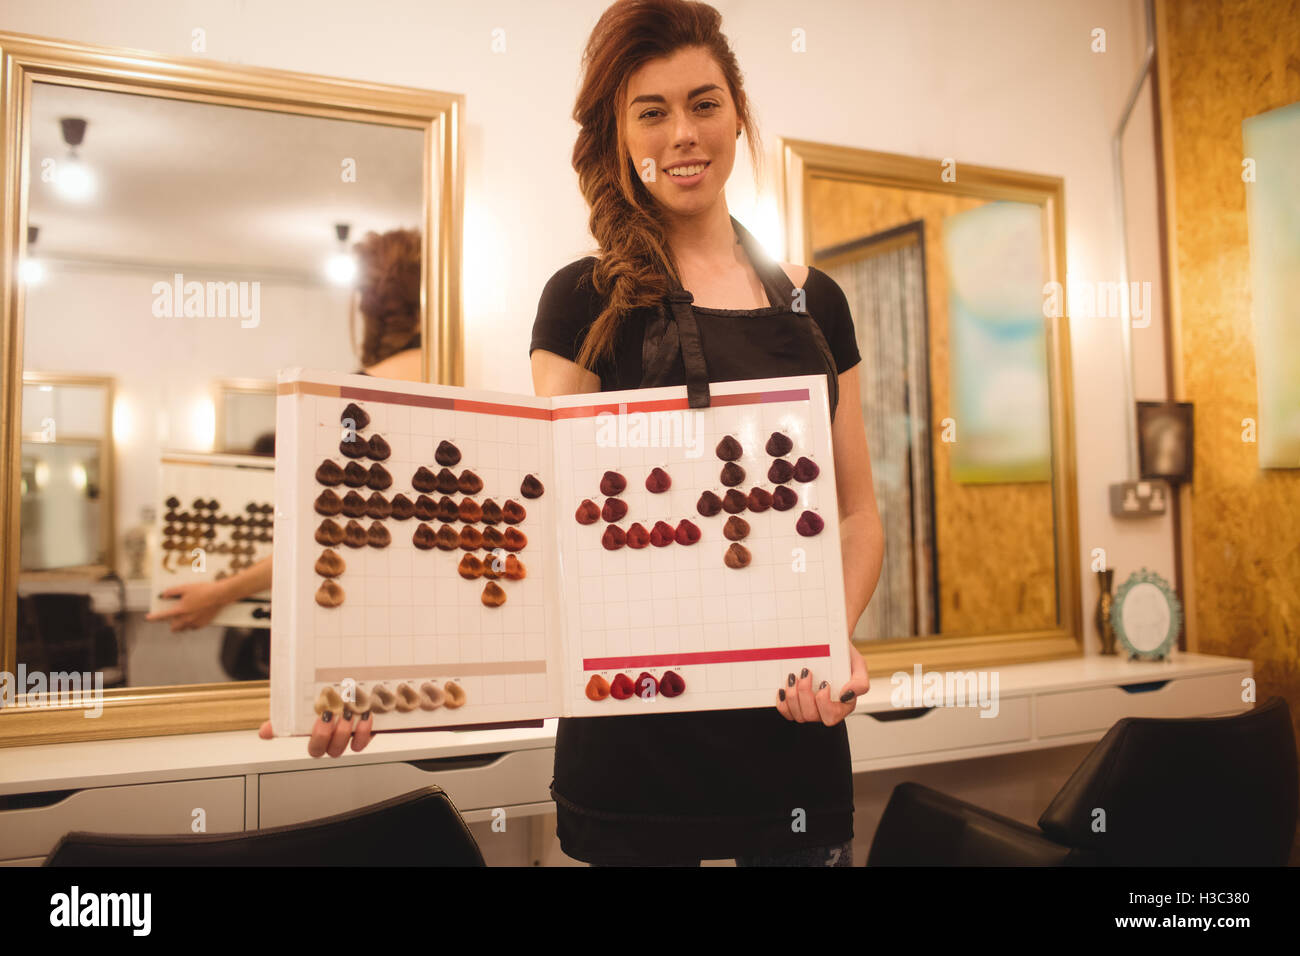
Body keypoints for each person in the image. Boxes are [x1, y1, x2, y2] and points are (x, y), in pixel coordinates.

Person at [526, 0, 884, 866]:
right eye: (651, 111)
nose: (683, 133)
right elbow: (541, 526)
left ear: (737, 112)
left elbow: (860, 515)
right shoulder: (580, 300)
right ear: (617, 135)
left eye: (704, 102)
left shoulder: (815, 301)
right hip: (632, 752)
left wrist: (825, 639)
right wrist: (373, 681)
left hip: (788, 738)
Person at [145, 228, 423, 753]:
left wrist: (221, 592)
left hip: (352, 629)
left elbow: (328, 534)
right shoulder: (464, 376)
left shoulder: (354, 397)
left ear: (367, 304)